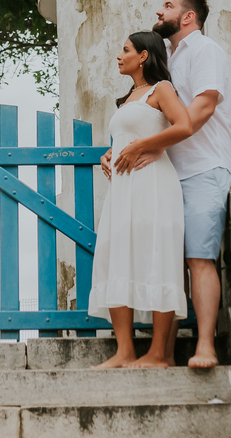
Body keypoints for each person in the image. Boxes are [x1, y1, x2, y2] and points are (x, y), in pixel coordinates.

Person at [102, 0, 231, 369]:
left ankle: (205, 346)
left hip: (203, 166)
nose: (159, 12)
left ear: (188, 16)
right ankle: (158, 352)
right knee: (166, 260)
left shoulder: (204, 50)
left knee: (198, 257)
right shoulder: (170, 59)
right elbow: (150, 118)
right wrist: (126, 146)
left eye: (167, 6)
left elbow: (205, 105)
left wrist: (154, 145)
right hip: (166, 173)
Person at [88, 31, 194, 369]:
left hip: (153, 184)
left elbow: (185, 125)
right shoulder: (128, 97)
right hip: (122, 188)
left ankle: (159, 354)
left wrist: (143, 147)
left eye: (125, 50)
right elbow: (126, 137)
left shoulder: (160, 89)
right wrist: (110, 153)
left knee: (157, 255)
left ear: (144, 55)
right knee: (117, 254)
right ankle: (124, 351)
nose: (119, 56)